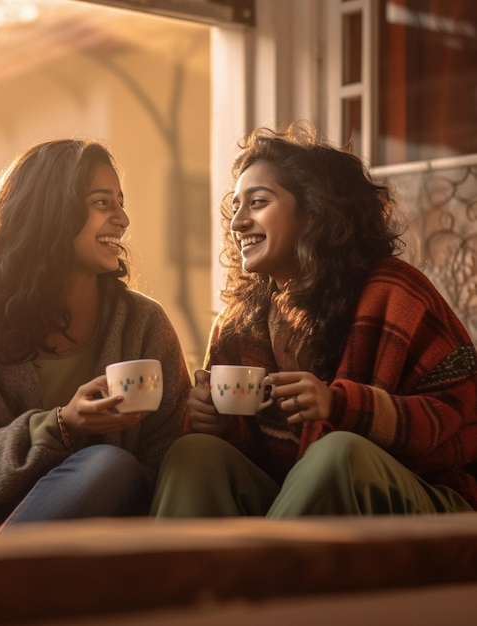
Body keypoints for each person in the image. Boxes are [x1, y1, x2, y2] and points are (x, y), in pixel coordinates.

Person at [150, 123, 477, 518]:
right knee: (194, 454)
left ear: (313, 212)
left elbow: (459, 421)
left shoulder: (394, 293)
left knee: (337, 454)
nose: (237, 223)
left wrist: (341, 405)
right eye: (235, 205)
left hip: (429, 500)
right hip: (296, 502)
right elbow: (254, 454)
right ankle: (181, 579)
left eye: (257, 202)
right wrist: (216, 423)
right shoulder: (238, 324)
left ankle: (261, 576)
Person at [0, 138, 191, 530]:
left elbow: (168, 460)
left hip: (88, 545)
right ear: (52, 213)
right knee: (107, 463)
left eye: (120, 201)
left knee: (110, 468)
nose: (123, 219)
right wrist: (60, 426)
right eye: (101, 202)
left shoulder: (144, 325)